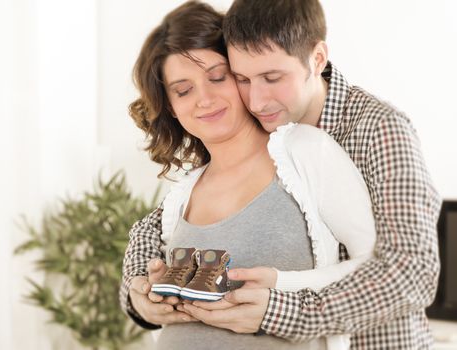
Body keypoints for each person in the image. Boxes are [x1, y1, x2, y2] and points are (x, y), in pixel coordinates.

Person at [170, 0, 441, 349]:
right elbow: (174, 207)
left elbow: (413, 273)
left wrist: (281, 312)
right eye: (242, 78)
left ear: (317, 59)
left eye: (272, 78)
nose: (255, 100)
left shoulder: (380, 129)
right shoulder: (264, 125)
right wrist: (136, 281)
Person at [119, 1, 379, 349]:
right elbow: (141, 251)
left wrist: (278, 286)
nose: (205, 99)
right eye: (183, 90)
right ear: (171, 107)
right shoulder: (182, 194)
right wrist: (147, 299)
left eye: (217, 77)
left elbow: (376, 267)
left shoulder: (305, 152)